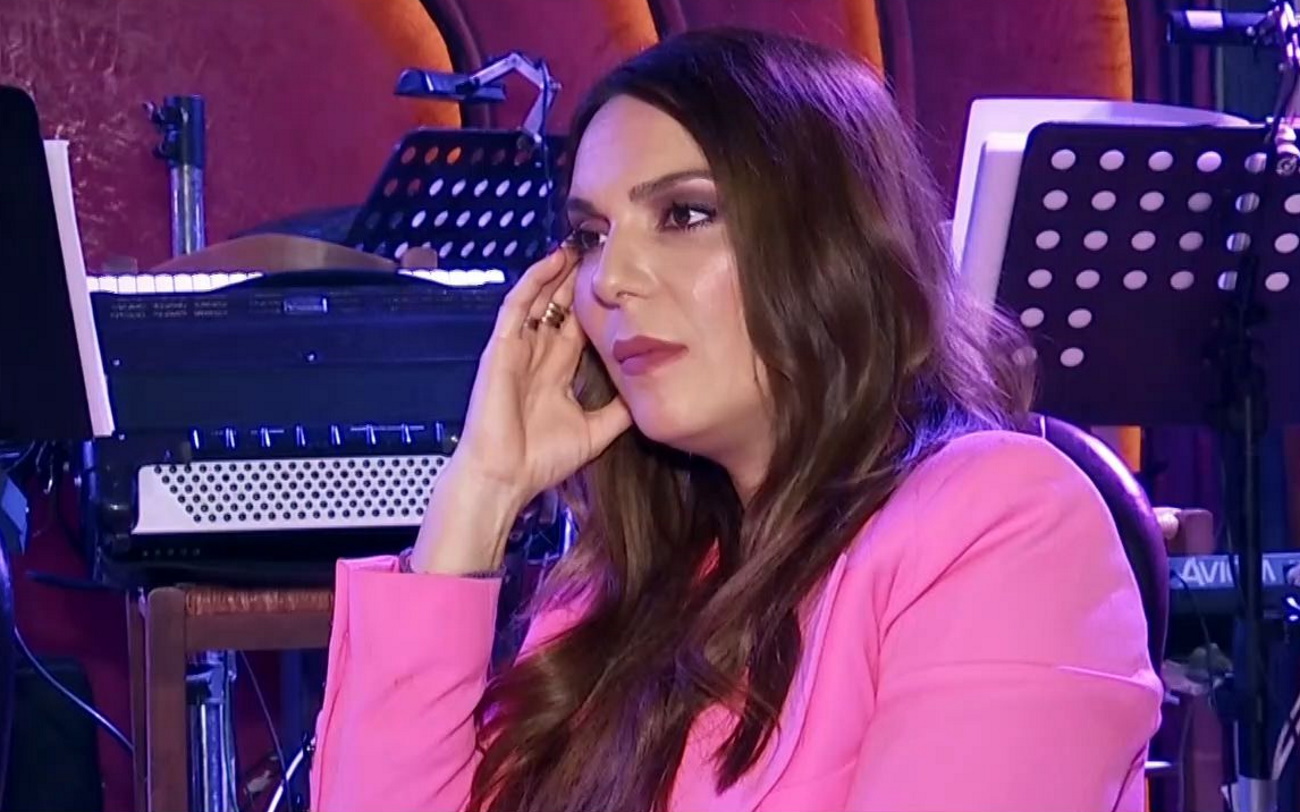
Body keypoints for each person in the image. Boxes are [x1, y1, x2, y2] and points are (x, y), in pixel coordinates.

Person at [309, 27, 1162, 812]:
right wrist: (481, 492)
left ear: (830, 243)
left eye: (683, 215)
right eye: (591, 236)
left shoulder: (999, 522)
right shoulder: (617, 597)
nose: (612, 279)